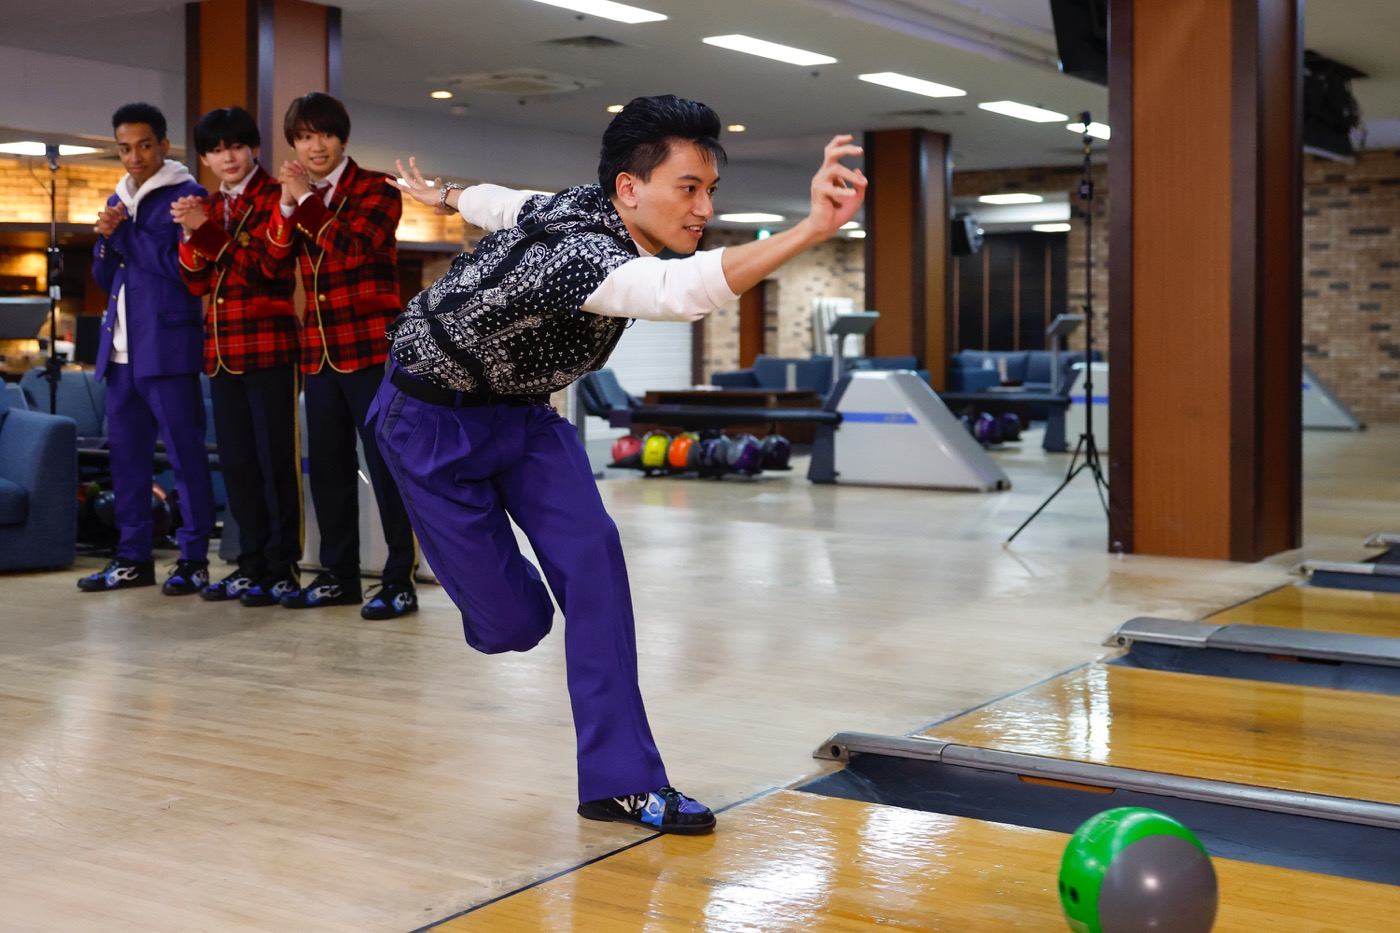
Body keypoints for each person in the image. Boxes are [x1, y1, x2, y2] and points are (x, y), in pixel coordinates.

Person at [377, 94, 866, 834]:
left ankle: (622, 781)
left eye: (709, 190)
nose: (702, 208)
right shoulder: (585, 257)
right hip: (429, 421)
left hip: (526, 419)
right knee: (515, 624)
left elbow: (500, 201)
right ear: (630, 189)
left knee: (597, 564)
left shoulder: (571, 206)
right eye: (688, 189)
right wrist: (810, 229)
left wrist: (441, 194)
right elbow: (679, 291)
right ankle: (503, 605)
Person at [264, 92, 418, 619]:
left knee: (387, 465)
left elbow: (353, 249)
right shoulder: (301, 196)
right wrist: (287, 205)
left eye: (322, 134)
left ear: (342, 137)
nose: (314, 146)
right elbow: (273, 263)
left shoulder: (377, 189)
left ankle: (400, 580)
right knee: (327, 470)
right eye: (303, 137)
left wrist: (305, 201)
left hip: (372, 350)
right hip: (320, 356)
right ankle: (339, 577)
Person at [80, 102, 215, 596]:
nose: (133, 156)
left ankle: (194, 558)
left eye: (143, 145)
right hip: (119, 352)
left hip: (168, 348)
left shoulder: (188, 195)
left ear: (163, 145)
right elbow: (103, 275)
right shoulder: (122, 197)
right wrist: (103, 240)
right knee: (127, 462)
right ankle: (132, 557)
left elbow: (178, 266)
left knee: (186, 457)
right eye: (124, 147)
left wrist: (125, 233)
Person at [174, 106, 302, 607]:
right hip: (222, 350)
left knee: (276, 465)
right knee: (238, 465)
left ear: (253, 149)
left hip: (269, 347)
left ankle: (283, 566)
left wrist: (203, 231)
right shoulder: (204, 204)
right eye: (215, 149)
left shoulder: (276, 196)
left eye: (235, 146)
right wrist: (190, 235)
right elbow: (196, 281)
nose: (226, 157)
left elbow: (267, 267)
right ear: (204, 158)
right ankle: (250, 564)